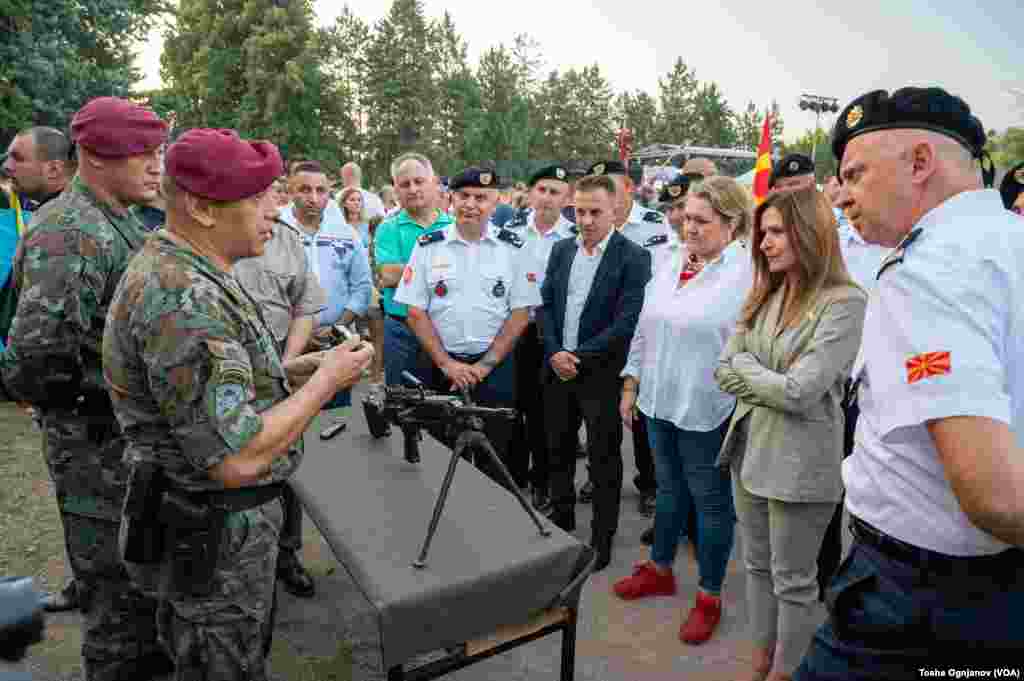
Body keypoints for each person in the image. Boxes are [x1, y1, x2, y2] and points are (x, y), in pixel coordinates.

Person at [105, 128, 373, 680]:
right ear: (202, 208)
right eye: (257, 199)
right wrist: (326, 383)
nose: (275, 212)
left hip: (214, 529)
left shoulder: (191, 268)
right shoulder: (184, 298)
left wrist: (293, 371)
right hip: (212, 537)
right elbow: (236, 458)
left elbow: (213, 392)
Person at [796, 88, 1024, 679]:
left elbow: (997, 497)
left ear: (920, 162)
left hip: (919, 602)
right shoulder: (1008, 241)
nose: (842, 193)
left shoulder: (928, 270)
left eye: (855, 173)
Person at [0, 97, 173, 679]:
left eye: (158, 152)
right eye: (142, 153)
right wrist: (103, 399)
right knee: (117, 603)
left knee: (142, 586)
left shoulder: (116, 217)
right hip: (96, 444)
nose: (156, 165)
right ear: (95, 158)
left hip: (125, 442)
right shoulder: (71, 229)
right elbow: (36, 357)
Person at [716, 187, 866, 681]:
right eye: (763, 233)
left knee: (794, 582)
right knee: (757, 568)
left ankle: (786, 673)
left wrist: (746, 367)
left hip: (802, 463)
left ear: (809, 232)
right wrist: (763, 377)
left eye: (776, 232)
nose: (764, 243)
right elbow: (722, 369)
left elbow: (802, 392)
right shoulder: (767, 291)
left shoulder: (845, 302)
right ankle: (760, 662)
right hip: (748, 449)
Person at [614, 176, 753, 646]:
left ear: (732, 223)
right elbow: (644, 327)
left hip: (708, 407)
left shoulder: (749, 274)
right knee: (669, 489)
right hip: (658, 399)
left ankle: (709, 596)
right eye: (686, 218)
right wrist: (631, 382)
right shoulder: (671, 259)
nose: (688, 227)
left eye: (701, 221)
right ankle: (660, 569)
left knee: (711, 503)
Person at [394, 166, 539, 486]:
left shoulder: (514, 247)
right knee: (441, 453)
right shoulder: (428, 246)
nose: (471, 204)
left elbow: (520, 312)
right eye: (464, 196)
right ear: (451, 198)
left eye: (481, 198)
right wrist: (447, 364)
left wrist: (485, 365)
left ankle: (496, 512)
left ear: (496, 202)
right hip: (439, 367)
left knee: (497, 455)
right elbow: (414, 311)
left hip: (495, 369)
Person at [541, 174, 652, 571]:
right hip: (557, 370)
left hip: (601, 374)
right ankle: (562, 517)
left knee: (604, 458)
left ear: (615, 210)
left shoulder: (634, 257)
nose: (586, 220)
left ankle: (602, 537)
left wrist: (577, 356)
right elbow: (545, 306)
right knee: (558, 449)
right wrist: (555, 351)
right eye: (580, 212)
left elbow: (627, 322)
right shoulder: (560, 250)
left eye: (595, 212)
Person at [234, 209, 328, 599]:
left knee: (285, 457)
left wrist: (285, 362)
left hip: (277, 355)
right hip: (224, 358)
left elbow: (306, 304)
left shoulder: (284, 236)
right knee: (235, 459)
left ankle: (286, 553)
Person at [584, 159, 661, 516]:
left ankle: (649, 483)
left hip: (641, 330)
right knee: (598, 416)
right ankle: (596, 475)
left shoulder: (655, 225)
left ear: (628, 189)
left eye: (611, 189)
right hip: (601, 334)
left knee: (641, 415)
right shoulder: (586, 223)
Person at [280, 161, 372, 422]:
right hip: (285, 344)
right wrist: (299, 333)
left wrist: (336, 327)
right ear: (290, 190)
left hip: (334, 344)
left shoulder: (345, 233)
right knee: (286, 419)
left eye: (321, 190)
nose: (313, 198)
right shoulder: (274, 229)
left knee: (334, 423)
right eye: (304, 190)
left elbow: (362, 286)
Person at [514, 164, 577, 508]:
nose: (547, 198)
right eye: (542, 190)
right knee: (518, 406)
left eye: (555, 192)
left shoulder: (574, 236)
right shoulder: (509, 231)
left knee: (550, 412)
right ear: (530, 193)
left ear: (566, 198)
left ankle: (547, 480)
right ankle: (520, 475)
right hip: (517, 331)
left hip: (554, 333)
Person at [374, 153, 452, 385]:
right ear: (396, 190)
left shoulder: (454, 227)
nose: (413, 189)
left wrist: (408, 271)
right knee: (404, 401)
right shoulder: (388, 228)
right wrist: (445, 269)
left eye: (419, 181)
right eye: (405, 184)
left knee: (449, 401)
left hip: (446, 328)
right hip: (403, 331)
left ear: (434, 183)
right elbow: (389, 275)